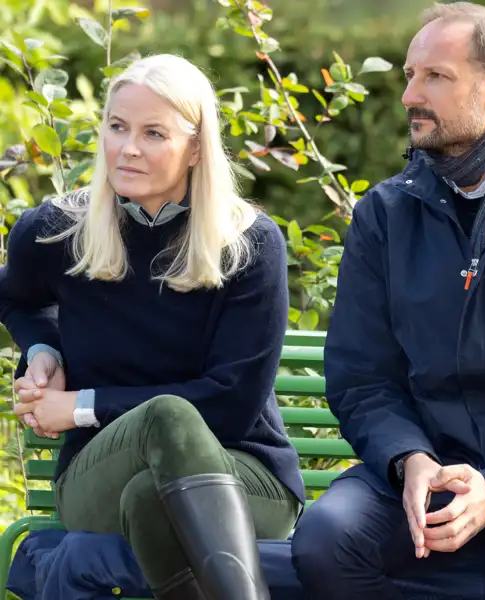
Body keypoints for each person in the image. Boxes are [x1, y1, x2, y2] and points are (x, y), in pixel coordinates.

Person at [291, 3, 485, 600]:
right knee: (327, 541)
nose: (410, 94)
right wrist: (409, 459)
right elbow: (361, 376)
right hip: (431, 462)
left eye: (435, 76)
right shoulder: (385, 214)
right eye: (409, 74)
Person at [0, 53, 304, 600]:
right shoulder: (56, 229)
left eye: (153, 133)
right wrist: (44, 347)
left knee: (155, 484)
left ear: (194, 147)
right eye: (117, 127)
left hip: (244, 476)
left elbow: (232, 403)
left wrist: (81, 405)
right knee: (156, 440)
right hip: (98, 474)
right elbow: (16, 298)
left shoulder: (249, 244)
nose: (128, 148)